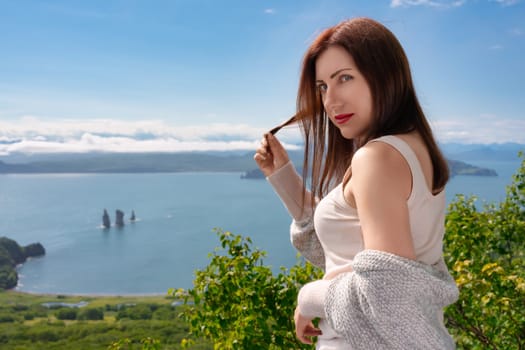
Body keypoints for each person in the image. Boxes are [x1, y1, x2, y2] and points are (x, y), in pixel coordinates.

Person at [254, 17, 459, 349]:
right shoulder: (413, 149)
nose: (331, 101)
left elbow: (388, 296)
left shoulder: (376, 158)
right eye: (322, 86)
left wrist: (309, 298)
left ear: (384, 75)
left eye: (344, 78)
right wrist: (283, 176)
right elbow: (350, 257)